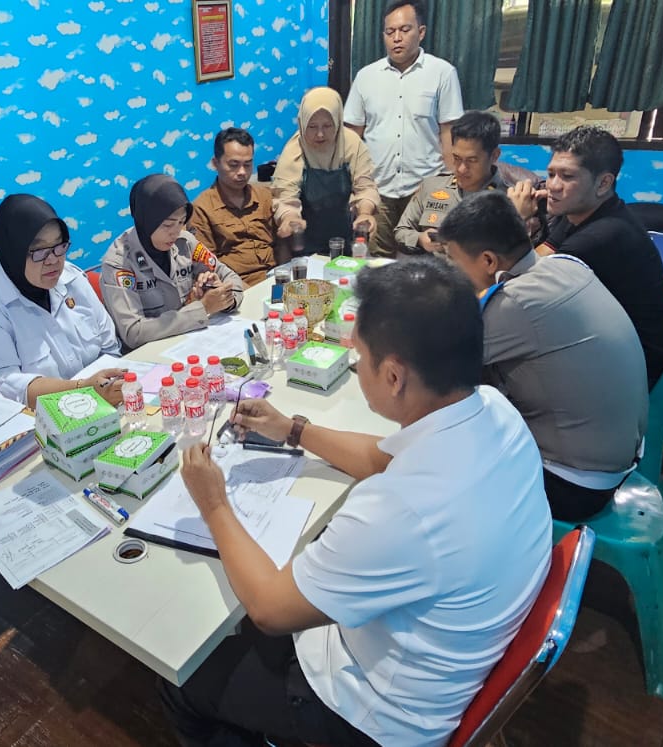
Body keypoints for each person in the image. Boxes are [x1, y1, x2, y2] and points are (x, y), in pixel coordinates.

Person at [161, 258, 553, 747]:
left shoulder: (399, 510)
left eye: (359, 355)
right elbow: (380, 457)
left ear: (393, 376)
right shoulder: (495, 410)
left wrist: (214, 503)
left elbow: (268, 609)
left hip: (374, 717)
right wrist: (292, 429)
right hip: (450, 661)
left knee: (182, 679)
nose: (354, 362)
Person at [440, 192, 648, 521]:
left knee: (436, 456)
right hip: (618, 458)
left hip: (574, 485)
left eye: (452, 260)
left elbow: (435, 368)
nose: (449, 270)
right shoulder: (564, 266)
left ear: (489, 261)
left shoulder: (513, 303)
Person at [509, 126, 663, 387]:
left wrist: (517, 219)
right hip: (609, 346)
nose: (553, 186)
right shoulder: (580, 212)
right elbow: (540, 256)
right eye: (551, 174)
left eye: (567, 176)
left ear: (603, 183)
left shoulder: (603, 236)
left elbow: (518, 284)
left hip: (631, 371)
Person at [0, 194, 127, 405]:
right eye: (39, 251)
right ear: (13, 251)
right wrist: (84, 390)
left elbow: (109, 347)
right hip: (35, 417)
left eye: (59, 246)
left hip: (102, 402)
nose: (53, 260)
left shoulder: (71, 278)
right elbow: (3, 389)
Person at [344, 0, 464, 257]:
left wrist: (449, 186)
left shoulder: (442, 73)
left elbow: (449, 134)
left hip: (426, 189)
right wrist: (356, 186)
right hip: (378, 190)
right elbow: (352, 136)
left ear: (421, 32)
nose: (396, 38)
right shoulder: (366, 76)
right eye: (390, 32)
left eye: (404, 30)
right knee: (376, 263)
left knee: (424, 261)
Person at [101, 174, 245, 349]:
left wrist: (222, 296)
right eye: (168, 225)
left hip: (188, 340)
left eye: (181, 222)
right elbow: (133, 332)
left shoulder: (185, 242)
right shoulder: (119, 263)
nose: (175, 232)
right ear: (146, 220)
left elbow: (231, 278)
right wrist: (203, 308)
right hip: (148, 353)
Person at [271, 88, 381, 258]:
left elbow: (365, 187)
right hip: (306, 242)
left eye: (327, 126)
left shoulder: (352, 144)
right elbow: (285, 196)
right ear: (302, 123)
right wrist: (290, 218)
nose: (320, 134)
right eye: (312, 126)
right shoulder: (294, 150)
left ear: (337, 121)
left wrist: (365, 213)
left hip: (346, 236)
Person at [394, 110, 516, 255]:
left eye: (472, 160)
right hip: (433, 266)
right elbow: (401, 231)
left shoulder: (510, 199)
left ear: (494, 155)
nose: (461, 169)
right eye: (457, 158)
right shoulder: (432, 187)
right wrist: (420, 239)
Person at [190, 127, 279, 285]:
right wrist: (239, 290)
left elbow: (282, 243)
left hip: (275, 276)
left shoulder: (265, 196)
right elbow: (207, 267)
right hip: (236, 285)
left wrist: (285, 275)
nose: (242, 172)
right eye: (233, 165)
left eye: (248, 164)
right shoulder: (201, 208)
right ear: (215, 163)